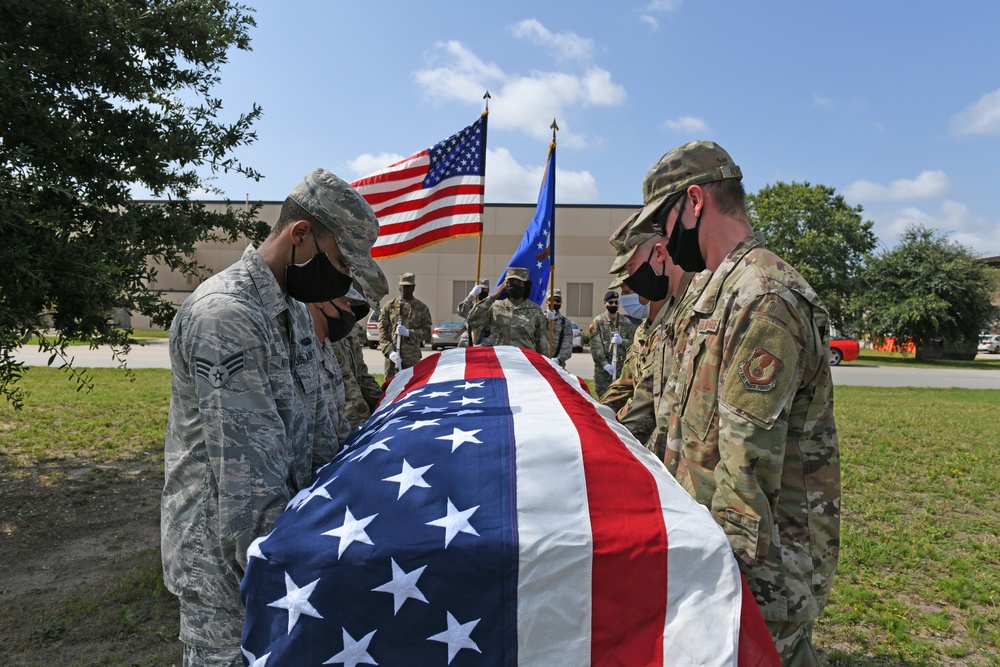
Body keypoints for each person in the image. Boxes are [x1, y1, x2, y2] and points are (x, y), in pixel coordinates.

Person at [162, 167, 383, 665]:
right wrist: (321, 574)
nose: (346, 278)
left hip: (283, 550)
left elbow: (324, 442)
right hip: (228, 571)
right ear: (299, 234)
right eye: (341, 262)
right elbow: (248, 493)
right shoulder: (228, 317)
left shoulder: (292, 309)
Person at [633, 140, 840, 664]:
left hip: (762, 572)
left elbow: (747, 472)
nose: (662, 237)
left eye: (663, 219)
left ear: (695, 202)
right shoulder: (716, 291)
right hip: (715, 551)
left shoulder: (763, 296)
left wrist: (714, 585)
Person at [465, 266, 547, 353]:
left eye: (518, 283)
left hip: (525, 360)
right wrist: (491, 298)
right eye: (511, 283)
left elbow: (542, 343)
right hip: (501, 360)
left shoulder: (535, 310)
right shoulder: (495, 306)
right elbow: (472, 320)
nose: (514, 286)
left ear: (525, 286)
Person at [378, 272, 433, 380]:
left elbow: (427, 332)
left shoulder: (421, 308)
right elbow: (383, 330)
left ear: (413, 288)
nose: (404, 290)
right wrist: (389, 351)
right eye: (402, 287)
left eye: (408, 287)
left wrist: (409, 333)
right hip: (393, 358)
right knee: (390, 387)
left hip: (412, 357)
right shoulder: (390, 306)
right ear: (399, 287)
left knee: (411, 386)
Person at [588, 290, 635, 397]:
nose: (613, 305)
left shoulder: (626, 323)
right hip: (603, 368)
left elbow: (633, 345)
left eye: (615, 302)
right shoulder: (598, 321)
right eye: (610, 302)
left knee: (620, 397)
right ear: (605, 303)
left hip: (621, 366)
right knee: (603, 397)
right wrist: (605, 364)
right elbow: (596, 345)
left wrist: (621, 341)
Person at [542, 288, 574, 367]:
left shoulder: (566, 323)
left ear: (561, 302)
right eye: (552, 300)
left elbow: (567, 345)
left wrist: (558, 359)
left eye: (558, 300)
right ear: (547, 302)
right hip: (539, 363)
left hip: (557, 365)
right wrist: (546, 319)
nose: (555, 302)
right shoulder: (539, 318)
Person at [457, 277, 492, 346]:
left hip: (485, 342)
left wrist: (482, 345)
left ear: (488, 291)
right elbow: (461, 312)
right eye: (481, 289)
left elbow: (495, 332)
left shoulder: (492, 307)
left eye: (485, 289)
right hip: (468, 340)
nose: (482, 291)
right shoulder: (471, 306)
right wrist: (471, 295)